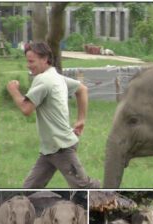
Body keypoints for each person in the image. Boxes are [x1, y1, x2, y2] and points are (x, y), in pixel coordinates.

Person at [6, 42, 100, 188]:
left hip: (61, 147)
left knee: (85, 188)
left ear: (44, 59)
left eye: (31, 61)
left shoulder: (43, 80)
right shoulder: (56, 77)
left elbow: (26, 109)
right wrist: (81, 119)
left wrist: (13, 91)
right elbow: (82, 89)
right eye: (27, 61)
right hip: (49, 149)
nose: (28, 65)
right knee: (29, 189)